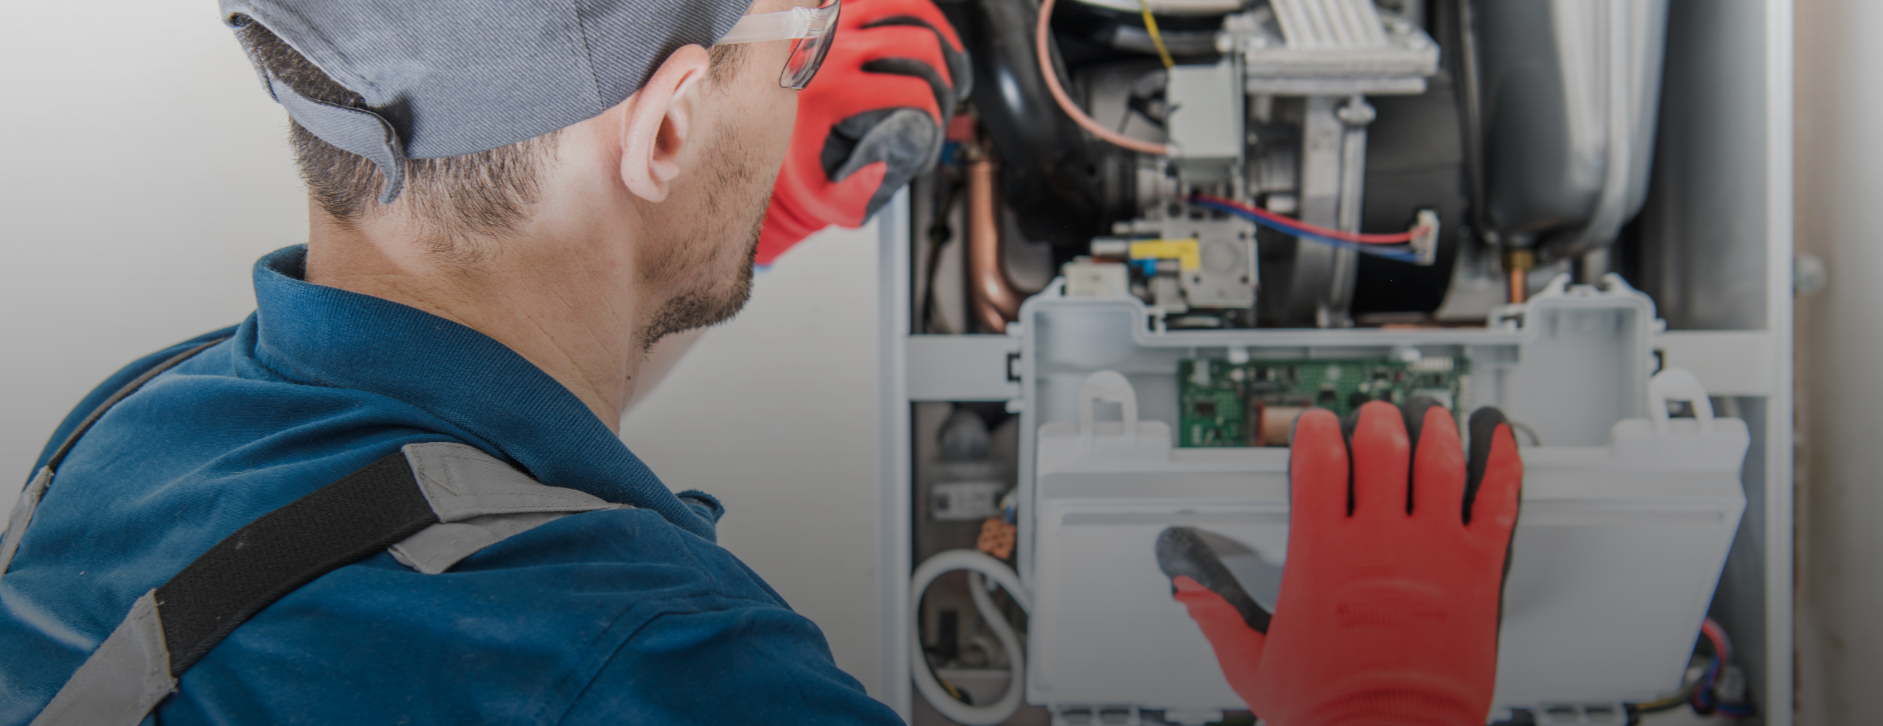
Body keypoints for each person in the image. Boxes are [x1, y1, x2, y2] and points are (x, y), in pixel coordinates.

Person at [0, 0, 1521, 723]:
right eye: (795, 48)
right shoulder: (659, 681)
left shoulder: (136, 427)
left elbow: (441, 472)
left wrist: (731, 223)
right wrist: (1381, 705)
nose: (809, 78)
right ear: (660, 132)